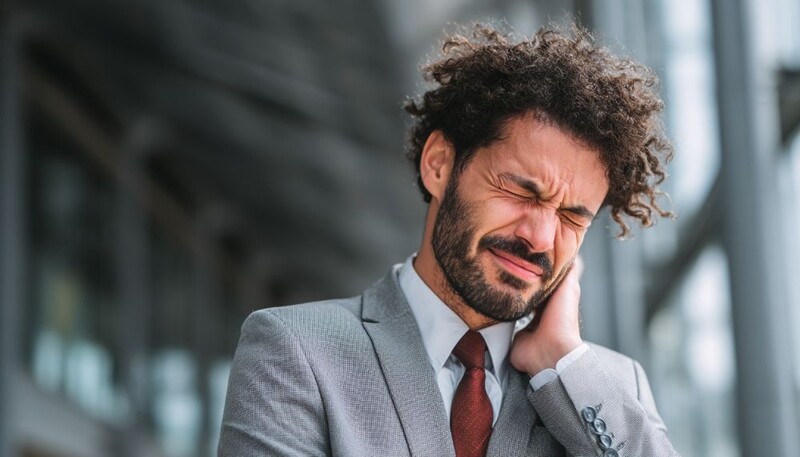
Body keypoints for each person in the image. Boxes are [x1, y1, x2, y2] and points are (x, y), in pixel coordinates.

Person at [218, 22, 679, 457]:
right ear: (439, 164)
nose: (540, 238)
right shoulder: (295, 350)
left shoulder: (604, 386)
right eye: (520, 190)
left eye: (571, 218)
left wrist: (559, 360)